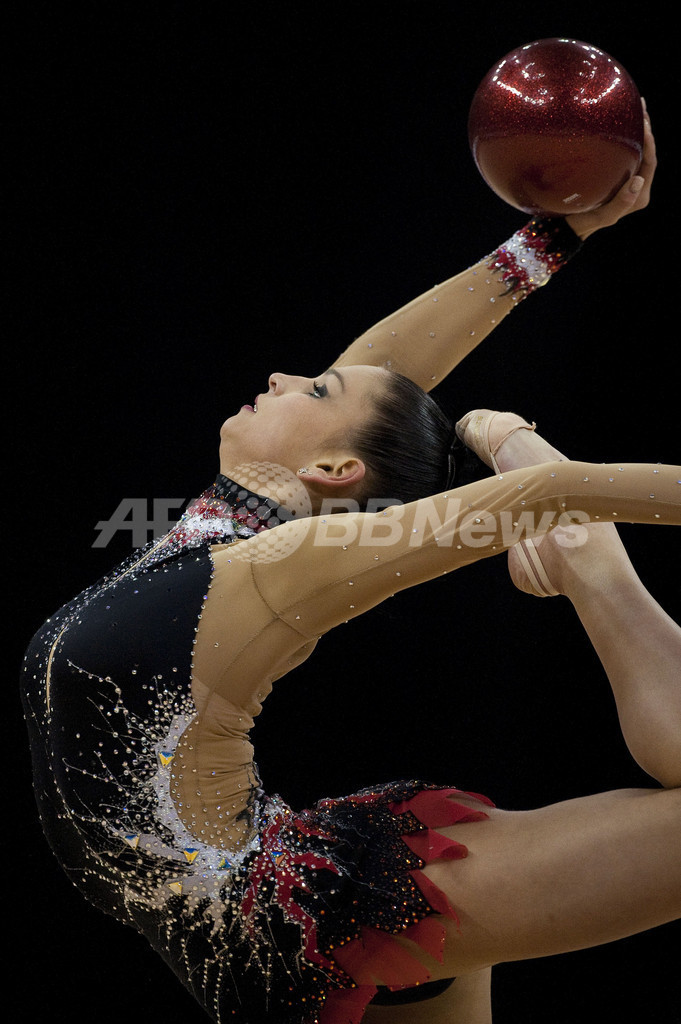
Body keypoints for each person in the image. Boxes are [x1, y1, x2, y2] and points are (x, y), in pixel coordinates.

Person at [21, 108, 680, 1024]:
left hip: (307, 919)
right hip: (264, 930)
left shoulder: (272, 566)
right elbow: (382, 380)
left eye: (315, 390)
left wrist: (509, 440)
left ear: (333, 472)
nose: (291, 376)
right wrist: (551, 240)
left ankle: (597, 571)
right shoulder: (217, 535)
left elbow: (525, 491)